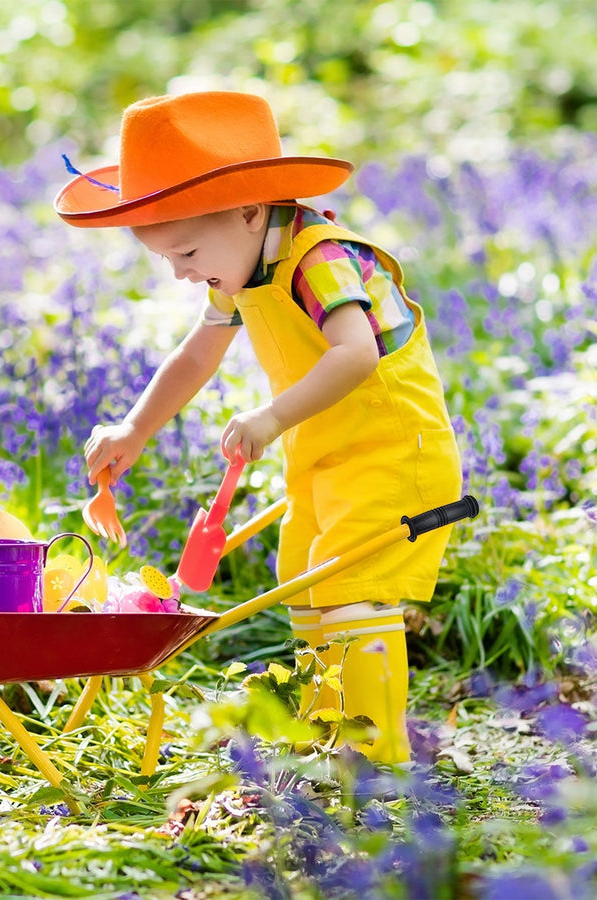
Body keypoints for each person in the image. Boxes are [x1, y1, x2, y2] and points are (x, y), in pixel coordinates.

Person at [55, 91, 462, 764]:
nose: (182, 273)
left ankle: (377, 760)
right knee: (305, 588)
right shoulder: (243, 262)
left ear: (248, 211)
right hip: (324, 456)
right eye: (168, 261)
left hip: (395, 454)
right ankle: (329, 738)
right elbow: (196, 354)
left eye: (186, 252)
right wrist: (134, 428)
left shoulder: (319, 258)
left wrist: (270, 417)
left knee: (351, 597)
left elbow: (356, 353)